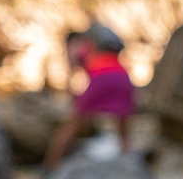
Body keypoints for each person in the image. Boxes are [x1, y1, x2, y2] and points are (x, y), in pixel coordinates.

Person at [44, 24, 136, 170]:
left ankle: (50, 166)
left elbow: (73, 69)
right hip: (123, 78)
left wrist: (75, 98)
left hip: (100, 78)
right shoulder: (108, 46)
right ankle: (130, 166)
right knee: (123, 131)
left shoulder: (83, 45)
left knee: (73, 125)